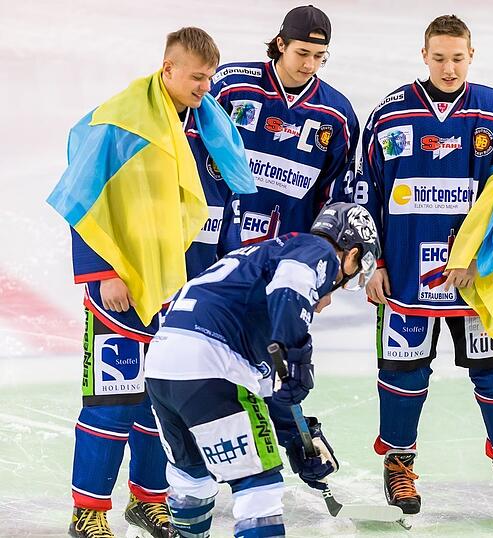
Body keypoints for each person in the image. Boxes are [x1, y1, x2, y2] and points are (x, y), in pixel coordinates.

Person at [47, 27, 254, 538]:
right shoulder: (121, 122)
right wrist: (104, 271)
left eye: (210, 78)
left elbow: (227, 210)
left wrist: (224, 281)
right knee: (113, 402)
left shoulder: (213, 129)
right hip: (123, 289)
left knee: (162, 407)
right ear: (168, 68)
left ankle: (148, 501)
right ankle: (88, 511)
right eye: (196, 77)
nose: (204, 88)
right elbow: (83, 198)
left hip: (185, 294)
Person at [354, 14, 493, 519]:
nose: (449, 68)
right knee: (403, 374)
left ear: (471, 55)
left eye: (458, 58)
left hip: (477, 277)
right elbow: (367, 193)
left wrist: (482, 258)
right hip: (406, 273)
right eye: (439, 58)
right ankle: (399, 462)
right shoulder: (389, 115)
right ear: (424, 56)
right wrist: (373, 262)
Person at [143, 202, 380, 537]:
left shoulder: (259, 260)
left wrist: (297, 437)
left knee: (193, 476)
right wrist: (296, 354)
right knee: (259, 482)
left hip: (162, 364)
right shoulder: (317, 250)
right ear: (352, 254)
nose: (331, 295)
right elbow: (292, 286)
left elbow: (267, 389)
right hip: (212, 363)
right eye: (349, 276)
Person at [212, 4, 359, 249]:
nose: (310, 65)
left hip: (290, 253)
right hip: (219, 243)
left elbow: (335, 194)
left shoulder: (337, 114)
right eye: (302, 53)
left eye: (319, 56)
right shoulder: (231, 86)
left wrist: (321, 251)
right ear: (281, 44)